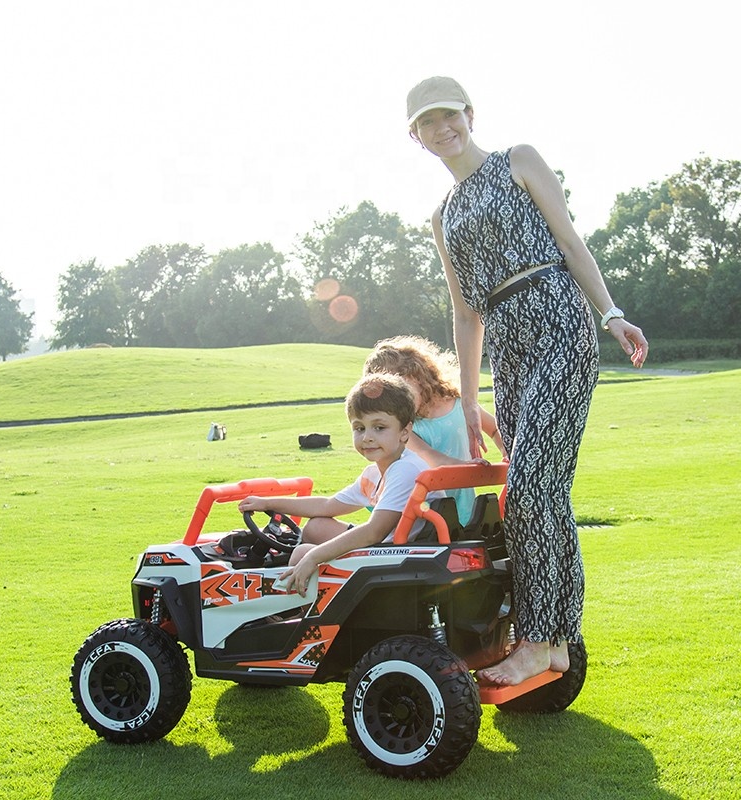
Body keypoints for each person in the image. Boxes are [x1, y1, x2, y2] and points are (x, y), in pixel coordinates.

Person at [406, 75, 648, 686]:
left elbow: (569, 241)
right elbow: (465, 313)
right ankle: (558, 641)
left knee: (536, 487)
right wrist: (467, 399)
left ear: (468, 113)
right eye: (427, 123)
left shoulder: (520, 159)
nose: (443, 129)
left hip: (557, 313)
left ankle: (539, 640)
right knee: (531, 495)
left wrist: (612, 314)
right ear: (417, 138)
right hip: (506, 343)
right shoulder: (443, 215)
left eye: (448, 116)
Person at [238, 373, 444, 596]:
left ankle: (294, 615)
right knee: (316, 526)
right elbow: (327, 505)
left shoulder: (406, 469)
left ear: (405, 432)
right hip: (391, 547)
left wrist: (313, 557)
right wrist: (268, 503)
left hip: (400, 556)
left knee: (301, 554)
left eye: (379, 428)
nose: (367, 437)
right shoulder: (375, 473)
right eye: (359, 428)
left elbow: (374, 532)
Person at [362, 334, 507, 526]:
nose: (396, 398)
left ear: (418, 375)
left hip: (462, 498)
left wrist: (509, 453)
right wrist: (466, 466)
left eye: (400, 387)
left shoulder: (459, 405)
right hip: (425, 508)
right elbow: (427, 455)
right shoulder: (406, 426)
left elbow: (496, 430)